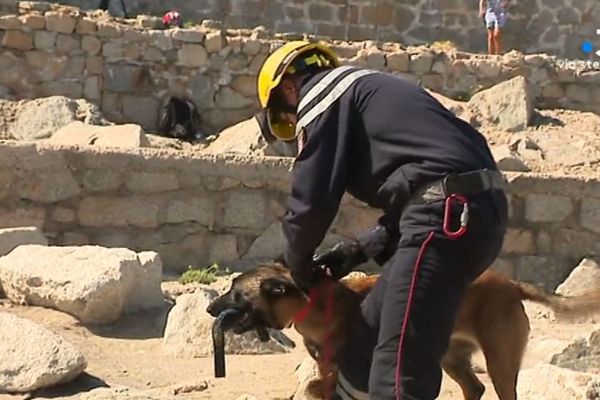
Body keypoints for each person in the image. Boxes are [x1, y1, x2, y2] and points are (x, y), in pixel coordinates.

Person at [255, 41, 509, 400]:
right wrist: (357, 250)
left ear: (289, 88)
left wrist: (296, 269)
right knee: (366, 339)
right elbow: (425, 183)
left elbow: (310, 201)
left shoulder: (322, 96)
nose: (296, 123)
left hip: (446, 218)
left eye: (286, 116)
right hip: (469, 213)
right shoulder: (372, 90)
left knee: (397, 367)